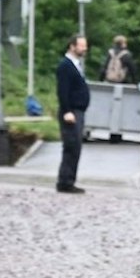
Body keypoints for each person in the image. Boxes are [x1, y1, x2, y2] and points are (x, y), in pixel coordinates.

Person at [54, 35, 91, 194]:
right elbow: (63, 91)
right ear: (72, 46)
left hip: (78, 111)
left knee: (75, 146)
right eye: (81, 45)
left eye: (85, 46)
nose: (84, 49)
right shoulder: (66, 66)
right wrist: (67, 111)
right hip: (71, 112)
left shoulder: (75, 65)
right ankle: (65, 181)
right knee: (71, 145)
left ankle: (69, 180)